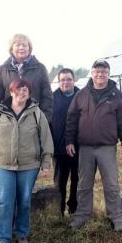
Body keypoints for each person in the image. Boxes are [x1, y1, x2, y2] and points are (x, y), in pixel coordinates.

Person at [0, 79, 53, 243]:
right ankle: (4, 238)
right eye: (18, 89)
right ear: (11, 92)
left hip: (29, 165)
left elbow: (46, 139)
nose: (22, 92)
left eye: (26, 89)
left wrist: (46, 162)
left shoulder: (36, 113)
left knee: (25, 201)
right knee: (5, 201)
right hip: (3, 165)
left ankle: (21, 234)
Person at [65, 59, 122, 231]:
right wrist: (69, 141)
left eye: (104, 71)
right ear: (92, 73)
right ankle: (82, 215)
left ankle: (116, 217)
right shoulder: (82, 94)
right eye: (97, 71)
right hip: (85, 147)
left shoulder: (117, 95)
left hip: (107, 147)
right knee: (84, 184)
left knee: (111, 184)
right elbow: (71, 119)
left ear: (108, 74)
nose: (100, 74)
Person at [0, 33, 53, 121]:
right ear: (11, 48)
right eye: (18, 45)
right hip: (9, 119)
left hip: (33, 119)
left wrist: (44, 119)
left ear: (29, 48)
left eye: (25, 45)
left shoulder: (40, 68)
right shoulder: (3, 69)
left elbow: (47, 96)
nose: (21, 48)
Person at [51, 68, 80, 216]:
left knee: (77, 179)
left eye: (69, 79)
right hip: (59, 147)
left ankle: (73, 207)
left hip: (79, 146)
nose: (66, 82)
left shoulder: (82, 96)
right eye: (63, 80)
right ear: (58, 81)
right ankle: (59, 209)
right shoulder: (52, 98)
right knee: (60, 182)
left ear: (74, 80)